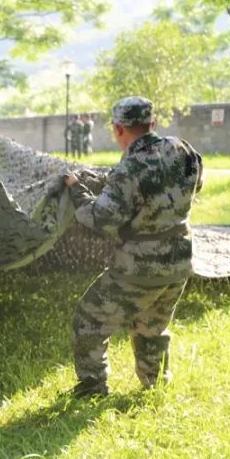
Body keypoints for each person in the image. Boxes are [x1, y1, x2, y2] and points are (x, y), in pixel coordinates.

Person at [64, 96, 203, 398]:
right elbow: (195, 186)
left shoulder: (130, 166)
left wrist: (77, 191)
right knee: (152, 326)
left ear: (117, 129)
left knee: (89, 321)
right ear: (152, 123)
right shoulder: (184, 149)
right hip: (179, 259)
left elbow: (102, 219)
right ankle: (156, 387)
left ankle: (92, 388)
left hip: (139, 266)